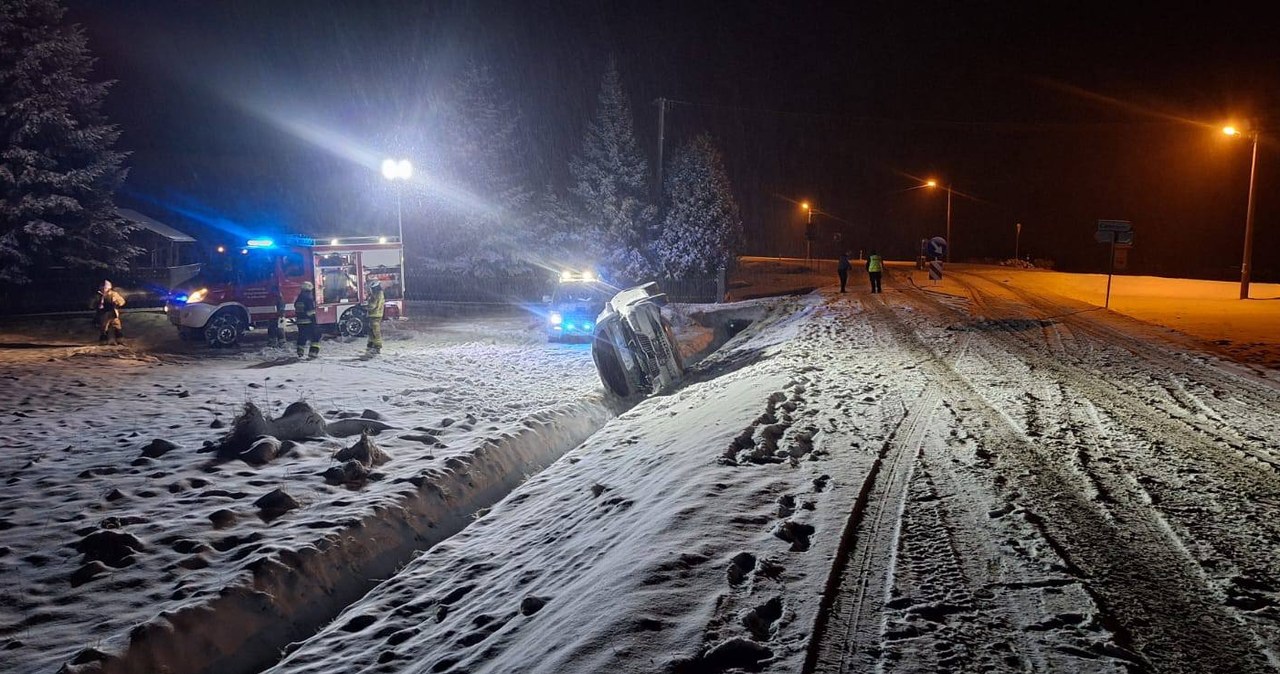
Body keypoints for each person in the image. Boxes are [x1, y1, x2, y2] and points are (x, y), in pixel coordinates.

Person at [90, 280, 126, 344]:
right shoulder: (98, 295)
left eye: (106, 287)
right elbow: (91, 304)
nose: (104, 289)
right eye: (103, 287)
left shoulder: (113, 294)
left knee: (117, 326)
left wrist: (117, 303)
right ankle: (104, 341)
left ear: (109, 288)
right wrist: (96, 305)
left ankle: (120, 340)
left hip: (112, 312)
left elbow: (122, 301)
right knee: (104, 328)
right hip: (103, 313)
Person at [295, 281, 320, 359]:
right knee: (316, 336)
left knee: (302, 337)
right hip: (308, 321)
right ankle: (313, 353)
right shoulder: (308, 299)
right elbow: (310, 312)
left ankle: (300, 352)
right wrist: (314, 318)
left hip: (300, 321)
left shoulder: (298, 298)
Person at [364, 279, 385, 355]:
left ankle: (377, 346)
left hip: (374, 315)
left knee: (375, 331)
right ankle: (371, 344)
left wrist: (365, 306)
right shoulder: (380, 293)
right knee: (372, 331)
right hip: (377, 314)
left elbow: (372, 305)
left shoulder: (376, 295)